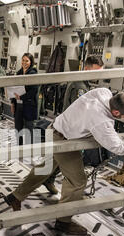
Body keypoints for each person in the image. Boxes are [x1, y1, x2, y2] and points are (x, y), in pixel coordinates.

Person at [4, 89, 124, 235]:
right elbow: (118, 147)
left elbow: (109, 117)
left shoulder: (103, 92)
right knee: (78, 181)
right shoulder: (101, 122)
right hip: (64, 142)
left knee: (46, 168)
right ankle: (63, 222)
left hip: (55, 128)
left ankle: (15, 197)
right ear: (116, 113)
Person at [40, 56, 105, 195]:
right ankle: (67, 189)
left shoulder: (83, 83)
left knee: (55, 159)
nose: (98, 75)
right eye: (96, 71)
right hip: (71, 130)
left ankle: (46, 180)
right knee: (67, 161)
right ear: (86, 68)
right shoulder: (79, 86)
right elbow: (82, 110)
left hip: (68, 128)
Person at [11, 53, 38, 145]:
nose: (24, 62)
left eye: (27, 61)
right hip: (18, 104)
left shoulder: (33, 73)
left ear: (31, 62)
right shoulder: (18, 73)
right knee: (18, 127)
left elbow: (34, 91)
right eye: (23, 60)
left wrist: (21, 97)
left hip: (29, 105)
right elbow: (13, 89)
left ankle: (29, 148)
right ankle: (20, 147)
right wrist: (12, 103)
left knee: (29, 128)